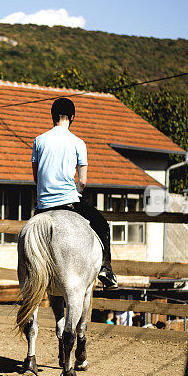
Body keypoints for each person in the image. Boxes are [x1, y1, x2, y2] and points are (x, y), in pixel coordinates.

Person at [31, 97, 118, 288]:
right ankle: (106, 269)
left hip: (42, 206)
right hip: (69, 201)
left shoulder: (39, 141)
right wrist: (76, 190)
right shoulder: (78, 143)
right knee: (103, 225)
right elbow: (83, 181)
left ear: (52, 116)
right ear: (72, 117)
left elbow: (37, 178)